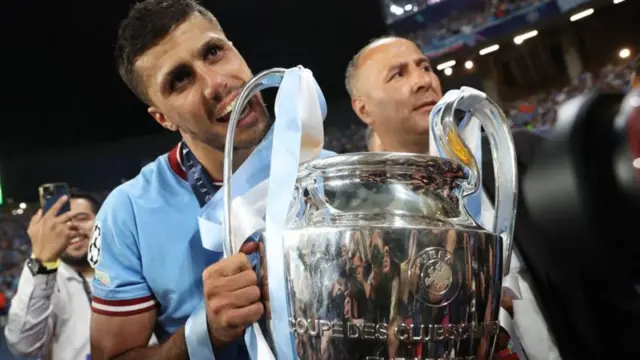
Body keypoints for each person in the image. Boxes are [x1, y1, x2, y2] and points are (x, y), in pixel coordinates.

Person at [89, 1, 331, 360]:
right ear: (162, 118)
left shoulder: (329, 175)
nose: (216, 83)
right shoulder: (128, 213)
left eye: (214, 52)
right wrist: (204, 334)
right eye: (180, 80)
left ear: (236, 50)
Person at [346, 35, 561, 360]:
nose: (423, 81)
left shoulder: (517, 160)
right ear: (363, 108)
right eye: (398, 74)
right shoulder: (365, 232)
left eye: (425, 67)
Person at [4, 189, 101, 360]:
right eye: (61, 222)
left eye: (82, 218)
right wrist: (42, 261)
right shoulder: (44, 279)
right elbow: (22, 346)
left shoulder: (128, 270)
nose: (72, 227)